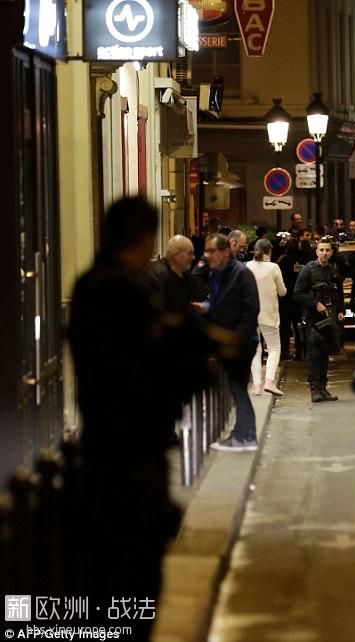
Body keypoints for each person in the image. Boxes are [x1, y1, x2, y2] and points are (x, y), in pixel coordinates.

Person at [69, 199, 203, 639]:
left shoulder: (92, 285)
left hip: (106, 453)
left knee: (109, 585)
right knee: (131, 585)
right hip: (130, 458)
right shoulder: (121, 293)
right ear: (145, 238)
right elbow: (155, 375)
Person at [200, 233, 261, 452]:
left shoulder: (241, 273)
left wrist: (238, 337)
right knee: (236, 388)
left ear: (226, 251)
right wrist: (206, 307)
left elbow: (251, 307)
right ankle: (242, 433)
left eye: (212, 251)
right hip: (223, 339)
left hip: (240, 341)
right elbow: (219, 301)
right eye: (206, 251)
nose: (208, 256)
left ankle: (247, 436)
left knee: (238, 387)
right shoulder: (216, 273)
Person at [294, 238, 345, 402]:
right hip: (312, 320)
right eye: (321, 250)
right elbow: (298, 293)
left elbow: (338, 292)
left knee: (325, 354)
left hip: (329, 319)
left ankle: (323, 388)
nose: (324, 253)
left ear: (331, 252)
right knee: (314, 354)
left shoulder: (333, 270)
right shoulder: (308, 270)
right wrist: (315, 303)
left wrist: (340, 310)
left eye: (327, 250)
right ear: (316, 252)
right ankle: (315, 389)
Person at [247, 239, 288, 396]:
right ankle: (269, 381)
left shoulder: (247, 267)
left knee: (255, 350)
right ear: (269, 251)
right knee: (274, 348)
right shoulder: (273, 267)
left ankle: (257, 385)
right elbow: (282, 291)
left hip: (250, 316)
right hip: (269, 315)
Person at [277, 229, 314, 359]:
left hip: (285, 299)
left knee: (284, 327)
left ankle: (285, 352)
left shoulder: (282, 261)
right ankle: (300, 352)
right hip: (299, 298)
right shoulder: (303, 261)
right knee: (300, 326)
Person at [141, 235, 195, 317]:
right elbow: (155, 314)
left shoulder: (185, 273)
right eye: (190, 253)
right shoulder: (155, 275)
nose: (193, 257)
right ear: (176, 255)